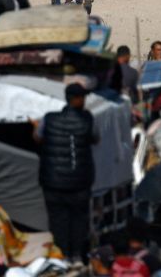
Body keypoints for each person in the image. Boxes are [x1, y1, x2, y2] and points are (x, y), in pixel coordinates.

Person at [35, 83, 97, 262]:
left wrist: (35, 126)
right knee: (78, 220)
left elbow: (38, 137)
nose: (84, 101)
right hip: (80, 182)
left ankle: (62, 257)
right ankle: (76, 256)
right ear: (77, 99)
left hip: (53, 183)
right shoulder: (87, 119)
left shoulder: (49, 118)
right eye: (83, 97)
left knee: (58, 221)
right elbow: (96, 137)